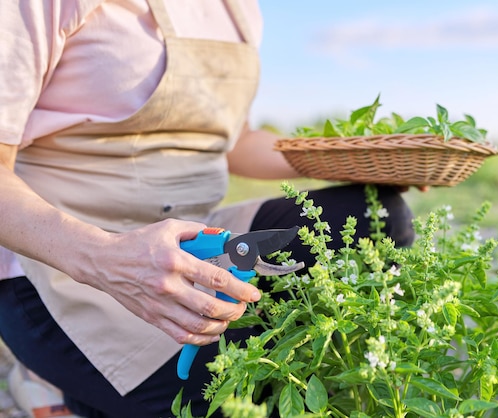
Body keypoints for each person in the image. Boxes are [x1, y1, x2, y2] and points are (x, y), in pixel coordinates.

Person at [0, 1, 415, 417]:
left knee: (374, 215)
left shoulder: (238, 9)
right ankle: (61, 389)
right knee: (225, 399)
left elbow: (235, 142)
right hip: (63, 258)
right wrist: (106, 259)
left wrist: (362, 159)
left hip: (196, 236)